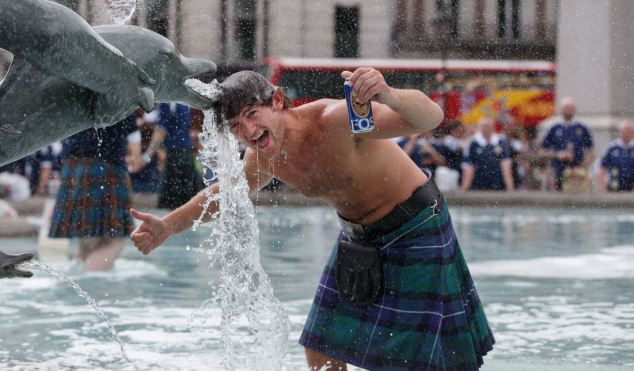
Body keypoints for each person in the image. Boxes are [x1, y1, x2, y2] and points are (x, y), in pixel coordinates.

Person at [130, 69, 494, 370]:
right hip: (359, 238)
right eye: (237, 126)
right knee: (321, 347)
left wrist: (390, 95)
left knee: (416, 360)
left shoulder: (337, 120)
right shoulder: (262, 160)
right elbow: (224, 194)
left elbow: (431, 117)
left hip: (416, 226)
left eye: (252, 115)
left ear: (276, 101)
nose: (248, 131)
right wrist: (168, 225)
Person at [49, 116, 140, 272]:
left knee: (86, 238)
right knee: (115, 238)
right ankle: (91, 288)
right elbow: (134, 142)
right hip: (106, 164)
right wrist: (135, 157)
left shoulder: (76, 93)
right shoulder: (120, 94)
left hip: (72, 165)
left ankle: (76, 283)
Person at [142, 102, 204, 208]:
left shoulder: (166, 103)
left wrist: (146, 156)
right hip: (186, 153)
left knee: (172, 201)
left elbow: (160, 131)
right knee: (190, 199)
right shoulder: (183, 103)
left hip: (175, 156)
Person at [540, 97, 594, 191]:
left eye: (570, 108)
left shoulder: (582, 128)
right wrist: (558, 155)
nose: (568, 111)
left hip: (578, 173)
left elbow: (591, 151)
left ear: (574, 110)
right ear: (561, 109)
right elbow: (542, 151)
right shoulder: (553, 128)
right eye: (566, 108)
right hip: (558, 170)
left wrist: (583, 164)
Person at [460, 117, 515, 191]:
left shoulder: (501, 141)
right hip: (478, 184)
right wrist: (465, 188)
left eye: (488, 126)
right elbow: (469, 166)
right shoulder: (473, 142)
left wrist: (510, 187)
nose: (486, 129)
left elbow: (505, 165)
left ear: (493, 127)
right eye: (484, 126)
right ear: (480, 128)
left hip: (498, 185)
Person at [597, 120, 634, 192]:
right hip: (614, 188)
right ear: (620, 132)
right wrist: (603, 189)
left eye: (629, 131)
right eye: (625, 131)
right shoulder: (612, 148)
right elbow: (602, 169)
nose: (627, 133)